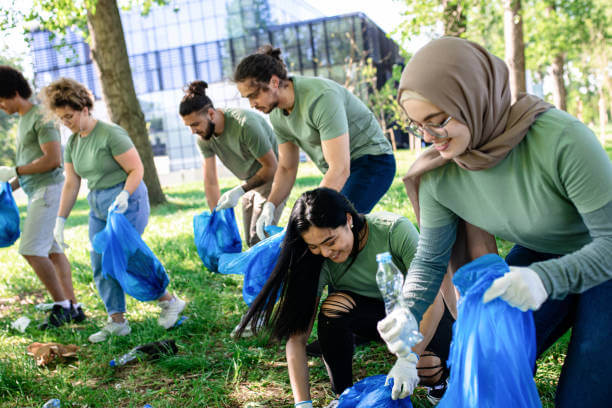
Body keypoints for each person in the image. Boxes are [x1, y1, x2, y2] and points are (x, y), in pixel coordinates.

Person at [376, 37, 612, 407]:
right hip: (544, 252)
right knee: (483, 355)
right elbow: (430, 258)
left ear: (475, 99)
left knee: (586, 394)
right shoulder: (440, 172)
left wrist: (544, 279)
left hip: (605, 259)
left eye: (437, 121)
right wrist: (408, 310)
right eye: (417, 124)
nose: (428, 138)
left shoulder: (561, 140)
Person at [236, 188, 455, 407]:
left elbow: (432, 298)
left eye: (330, 241)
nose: (325, 252)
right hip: (377, 319)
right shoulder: (317, 261)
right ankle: (343, 394)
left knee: (427, 367)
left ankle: (439, 384)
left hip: (419, 313)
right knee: (334, 305)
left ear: (348, 219)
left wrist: (409, 359)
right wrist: (302, 404)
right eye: (314, 246)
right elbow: (297, 338)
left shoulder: (393, 230)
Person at [40, 77, 186, 343]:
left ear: (85, 108)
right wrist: (59, 220)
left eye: (70, 116)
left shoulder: (110, 134)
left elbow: (136, 169)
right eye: (61, 118)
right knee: (99, 261)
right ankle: (117, 320)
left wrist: (124, 195)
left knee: (125, 256)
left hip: (126, 198)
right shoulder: (73, 142)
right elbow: (72, 183)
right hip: (98, 203)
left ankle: (169, 301)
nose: (66, 123)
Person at [234, 46, 396, 241]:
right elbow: (286, 167)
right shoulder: (277, 113)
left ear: (274, 82)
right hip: (341, 169)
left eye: (253, 95)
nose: (252, 104)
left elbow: (340, 168)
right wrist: (270, 205)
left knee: (330, 227)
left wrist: (306, 214)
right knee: (323, 231)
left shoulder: (320, 97)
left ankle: (387, 254)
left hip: (372, 162)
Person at [0, 66, 84, 329]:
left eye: (1, 99)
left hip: (49, 190)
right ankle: (73, 306)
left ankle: (62, 305)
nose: (0, 105)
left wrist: (14, 170)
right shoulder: (24, 120)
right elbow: (28, 167)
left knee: (30, 249)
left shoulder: (41, 117)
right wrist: (8, 184)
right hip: (37, 189)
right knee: (52, 250)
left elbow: (52, 160)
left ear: (14, 92)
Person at [179, 80, 285, 247]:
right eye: (188, 126)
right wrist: (217, 218)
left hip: (276, 177)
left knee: (260, 239)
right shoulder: (204, 138)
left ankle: (286, 269)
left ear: (211, 114)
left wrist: (240, 190)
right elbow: (211, 181)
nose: (192, 131)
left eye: (195, 124)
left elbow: (272, 168)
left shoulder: (245, 125)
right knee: (251, 242)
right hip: (251, 179)